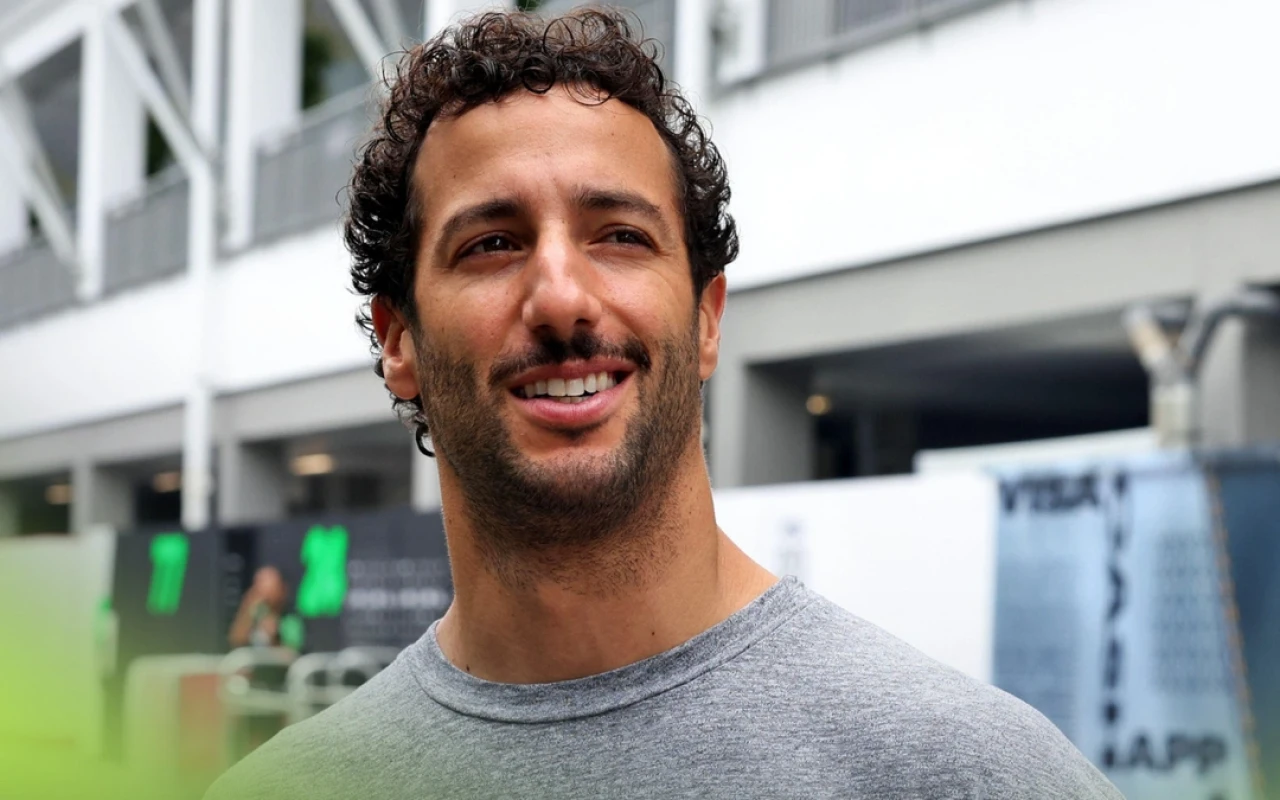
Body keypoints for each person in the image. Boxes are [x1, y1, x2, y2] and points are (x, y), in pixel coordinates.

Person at [206, 9, 1121, 799]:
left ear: (707, 318)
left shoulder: (965, 774)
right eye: (492, 243)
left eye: (620, 235)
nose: (562, 298)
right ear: (399, 338)